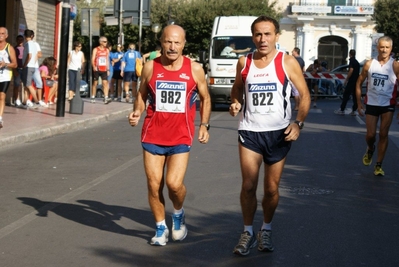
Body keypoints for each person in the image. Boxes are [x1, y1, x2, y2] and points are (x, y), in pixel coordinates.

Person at [229, 16, 310, 256]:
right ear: (252, 36)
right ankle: (247, 232)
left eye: (267, 34)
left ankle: (266, 228)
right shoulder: (244, 62)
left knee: (272, 189)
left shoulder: (286, 62)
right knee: (248, 185)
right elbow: (237, 88)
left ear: (276, 35)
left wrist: (299, 123)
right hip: (250, 131)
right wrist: (235, 101)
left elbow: (304, 95)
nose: (262, 39)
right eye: (258, 34)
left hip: (278, 134)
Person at [128, 25, 211, 246]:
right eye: (168, 42)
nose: (172, 47)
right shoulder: (150, 67)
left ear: (184, 44)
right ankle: (160, 227)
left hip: (181, 135)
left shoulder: (194, 69)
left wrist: (204, 124)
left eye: (177, 42)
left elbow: (205, 97)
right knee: (154, 184)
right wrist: (137, 111)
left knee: (174, 184)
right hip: (153, 134)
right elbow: (141, 94)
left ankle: (178, 212)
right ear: (161, 42)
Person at [356, 36, 399, 176]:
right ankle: (370, 148)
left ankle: (378, 165)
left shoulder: (395, 65)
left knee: (384, 134)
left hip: (388, 104)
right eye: (382, 47)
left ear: (391, 49)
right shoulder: (370, 64)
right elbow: (358, 83)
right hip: (372, 103)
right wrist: (359, 103)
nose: (384, 50)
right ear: (377, 48)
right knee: (370, 135)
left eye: (387, 47)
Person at [0, 27, 17, 129]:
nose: (0, 35)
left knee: (2, 96)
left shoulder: (9, 48)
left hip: (5, 75)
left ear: (6, 36)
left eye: (2, 33)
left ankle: (0, 118)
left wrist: (5, 64)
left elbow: (15, 64)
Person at [334, 49, 360, 115]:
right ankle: (354, 110)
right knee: (355, 96)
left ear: (349, 54)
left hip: (351, 81)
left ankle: (342, 109)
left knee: (346, 95)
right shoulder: (357, 62)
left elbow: (351, 70)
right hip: (356, 81)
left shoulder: (351, 61)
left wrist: (346, 79)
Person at [21, 29, 40, 108]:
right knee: (26, 85)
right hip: (32, 66)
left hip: (28, 67)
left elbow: (29, 55)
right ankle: (24, 102)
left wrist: (25, 65)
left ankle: (36, 101)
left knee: (28, 85)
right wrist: (34, 63)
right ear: (32, 36)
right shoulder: (34, 44)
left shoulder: (28, 44)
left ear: (25, 36)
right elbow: (36, 55)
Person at [91, 36, 111, 104]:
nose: (106, 43)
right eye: (105, 42)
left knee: (105, 83)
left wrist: (108, 69)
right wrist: (93, 66)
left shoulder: (107, 50)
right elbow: (93, 58)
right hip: (97, 68)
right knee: (95, 83)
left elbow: (107, 60)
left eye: (106, 41)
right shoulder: (96, 49)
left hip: (104, 69)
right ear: (101, 42)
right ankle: (93, 96)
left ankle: (106, 97)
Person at [291, 47, 305, 111]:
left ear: (296, 52)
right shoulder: (302, 60)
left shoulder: (294, 60)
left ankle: (297, 106)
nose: (292, 52)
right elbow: (303, 70)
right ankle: (299, 105)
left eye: (293, 51)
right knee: (298, 92)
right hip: (300, 77)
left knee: (295, 93)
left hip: (294, 77)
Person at [13, 35, 24, 107]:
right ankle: (16, 100)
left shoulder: (25, 48)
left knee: (24, 85)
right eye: (18, 40)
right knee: (16, 85)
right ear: (16, 40)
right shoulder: (14, 49)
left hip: (24, 69)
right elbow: (12, 60)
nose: (20, 41)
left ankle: (24, 100)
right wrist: (14, 70)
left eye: (21, 40)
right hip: (17, 68)